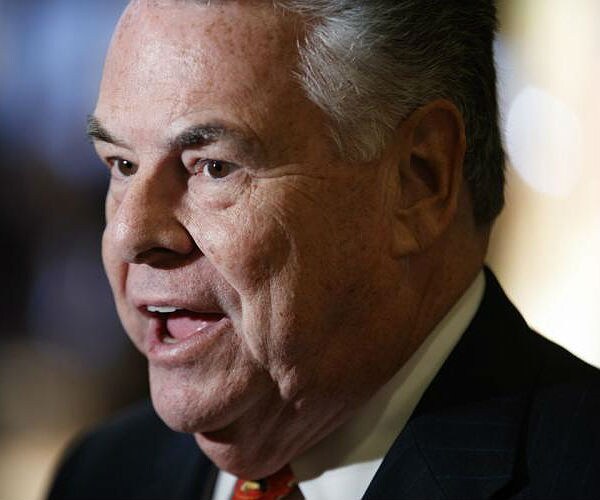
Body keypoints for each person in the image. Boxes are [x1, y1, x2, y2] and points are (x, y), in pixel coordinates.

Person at [47, 1, 600, 499]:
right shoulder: (101, 474)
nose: (130, 235)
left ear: (419, 180)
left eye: (213, 167)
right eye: (122, 165)